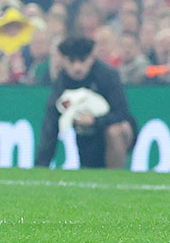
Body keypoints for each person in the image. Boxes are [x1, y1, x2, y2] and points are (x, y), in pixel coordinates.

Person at [34, 37, 137, 170]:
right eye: (71, 61)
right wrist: (41, 165)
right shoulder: (62, 83)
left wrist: (94, 120)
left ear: (91, 59)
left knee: (115, 131)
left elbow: (121, 112)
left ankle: (115, 175)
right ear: (63, 60)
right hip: (86, 134)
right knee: (91, 168)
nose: (77, 67)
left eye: (82, 61)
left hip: (111, 129)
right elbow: (51, 125)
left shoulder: (107, 75)